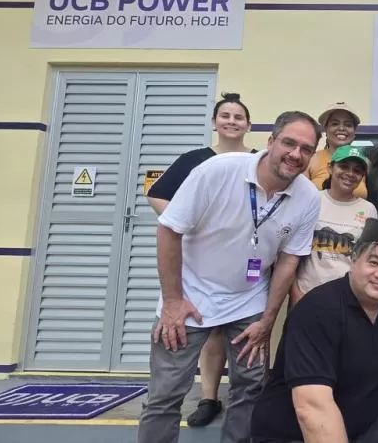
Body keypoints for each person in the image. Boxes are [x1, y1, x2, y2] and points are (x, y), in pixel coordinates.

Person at [138, 111, 323, 443]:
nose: (296, 154)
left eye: (306, 149)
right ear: (270, 142)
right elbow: (168, 230)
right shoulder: (217, 171)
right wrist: (172, 301)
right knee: (165, 394)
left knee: (251, 388)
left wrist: (267, 319)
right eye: (289, 143)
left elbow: (288, 260)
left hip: (248, 300)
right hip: (190, 297)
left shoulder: (308, 197)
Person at [249, 218, 378, 443]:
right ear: (354, 260)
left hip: (356, 423)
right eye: (374, 262)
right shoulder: (318, 310)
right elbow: (312, 408)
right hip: (295, 434)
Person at [144, 92, 257, 427]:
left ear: (248, 124)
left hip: (244, 272)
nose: (232, 122)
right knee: (200, 335)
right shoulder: (195, 159)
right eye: (225, 116)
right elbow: (156, 195)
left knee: (234, 341)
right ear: (214, 122)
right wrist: (186, 222)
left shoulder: (258, 161)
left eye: (239, 117)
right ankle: (209, 397)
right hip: (196, 271)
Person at [289, 145, 377, 309]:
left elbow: (367, 259)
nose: (350, 174)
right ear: (330, 167)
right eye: (343, 166)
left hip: (348, 301)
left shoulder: (369, 209)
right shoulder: (310, 200)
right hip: (306, 295)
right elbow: (290, 254)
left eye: (357, 170)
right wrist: (295, 294)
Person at [304, 102, 367, 198]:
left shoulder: (365, 162)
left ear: (354, 132)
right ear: (326, 129)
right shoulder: (311, 159)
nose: (341, 128)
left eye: (348, 125)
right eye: (335, 124)